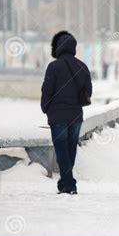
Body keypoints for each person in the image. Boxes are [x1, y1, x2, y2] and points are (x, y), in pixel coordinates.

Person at [41, 31, 92, 195]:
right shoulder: (82, 67)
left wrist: (46, 108)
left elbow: (47, 90)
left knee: (62, 150)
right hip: (76, 115)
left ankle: (69, 184)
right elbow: (88, 91)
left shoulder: (53, 66)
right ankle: (65, 183)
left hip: (57, 116)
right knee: (70, 150)